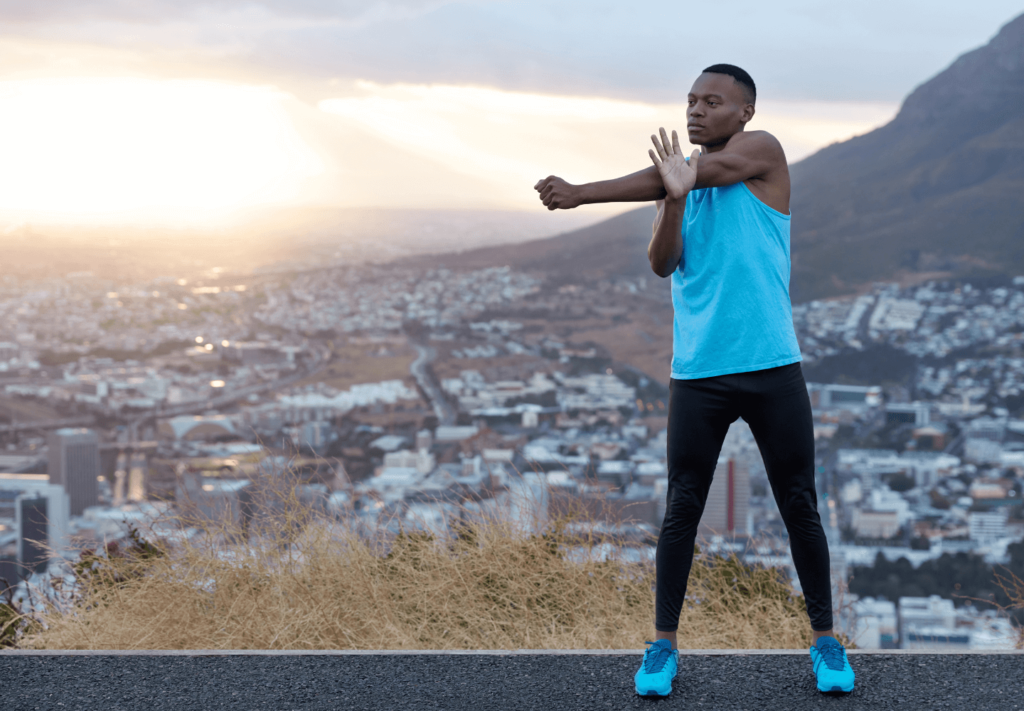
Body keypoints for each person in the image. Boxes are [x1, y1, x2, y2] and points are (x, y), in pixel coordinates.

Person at [533, 64, 855, 697]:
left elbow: (697, 171)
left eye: (713, 101)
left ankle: (825, 641)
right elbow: (662, 263)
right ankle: (663, 647)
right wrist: (673, 200)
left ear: (745, 113)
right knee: (683, 507)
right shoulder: (680, 181)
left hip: (770, 366)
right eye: (691, 101)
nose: (697, 111)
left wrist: (581, 193)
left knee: (799, 504)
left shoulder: (762, 154)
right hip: (700, 372)